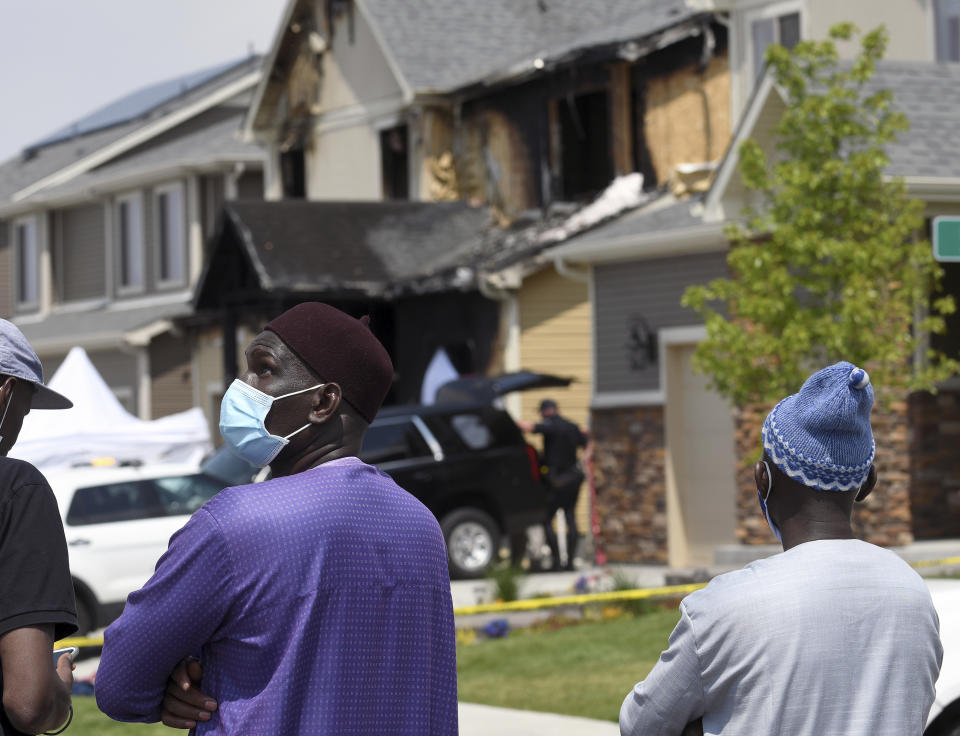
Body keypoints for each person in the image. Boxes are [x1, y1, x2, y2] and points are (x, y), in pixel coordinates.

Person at [95, 303, 458, 735]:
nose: (242, 386)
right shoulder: (420, 525)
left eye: (263, 370)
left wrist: (184, 680)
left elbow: (120, 683)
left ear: (323, 401)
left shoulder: (236, 523)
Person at [620, 362, 942, 736]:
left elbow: (639, 725)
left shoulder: (722, 609)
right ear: (868, 483)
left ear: (762, 478)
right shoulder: (914, 595)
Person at [0, 320, 77, 736]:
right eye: (26, 411)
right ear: (6, 394)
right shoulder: (17, 487)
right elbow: (28, 705)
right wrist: (60, 693)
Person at [519, 399, 588, 570]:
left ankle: (557, 562)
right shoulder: (572, 426)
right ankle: (570, 562)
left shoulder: (550, 425)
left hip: (557, 481)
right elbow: (588, 441)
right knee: (571, 517)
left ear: (545, 411)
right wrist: (583, 462)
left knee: (547, 520)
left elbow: (529, 427)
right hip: (574, 477)